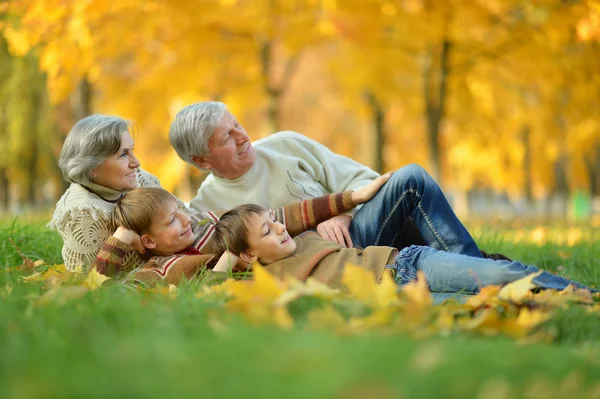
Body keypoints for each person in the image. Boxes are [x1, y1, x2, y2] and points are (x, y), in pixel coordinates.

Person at [168, 101, 508, 261]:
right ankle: (480, 268)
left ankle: (476, 268)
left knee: (411, 178)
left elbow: (369, 181)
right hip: (322, 263)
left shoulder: (287, 144)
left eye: (237, 124)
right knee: (473, 260)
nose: (243, 136)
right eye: (227, 137)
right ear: (201, 160)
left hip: (357, 233)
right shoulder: (206, 208)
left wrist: (341, 214)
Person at [208, 204, 595, 301]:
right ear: (248, 256)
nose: (280, 229)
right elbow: (211, 282)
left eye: (275, 221)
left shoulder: (305, 237)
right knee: (494, 301)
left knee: (502, 276)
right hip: (400, 298)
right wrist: (233, 256)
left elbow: (320, 206)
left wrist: (341, 214)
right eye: (267, 231)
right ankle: (567, 304)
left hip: (408, 264)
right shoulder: (266, 280)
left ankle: (588, 296)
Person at [92, 175, 391, 286]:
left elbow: (283, 216)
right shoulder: (155, 271)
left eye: (180, 210)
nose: (186, 221)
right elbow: (98, 290)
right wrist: (119, 240)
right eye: (171, 221)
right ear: (147, 240)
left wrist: (352, 199)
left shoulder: (208, 225)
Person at [49, 115, 179, 271]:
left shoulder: (140, 179)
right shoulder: (83, 215)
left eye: (132, 150)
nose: (136, 163)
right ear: (93, 168)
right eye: (123, 154)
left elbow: (188, 219)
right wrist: (121, 240)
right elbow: (92, 284)